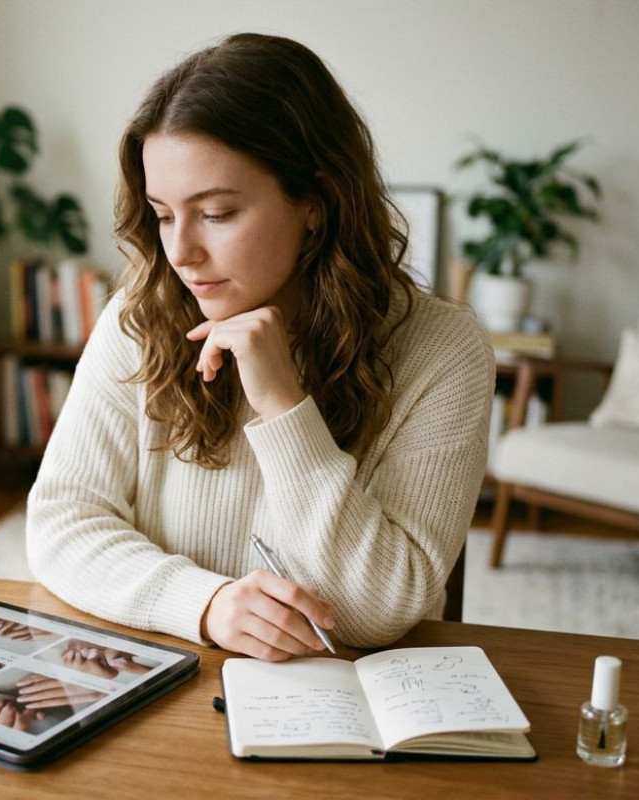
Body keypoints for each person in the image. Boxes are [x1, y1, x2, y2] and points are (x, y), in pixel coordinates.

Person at [25, 33, 494, 661]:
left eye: (216, 213)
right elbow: (60, 522)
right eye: (164, 215)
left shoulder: (443, 352)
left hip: (348, 701)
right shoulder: (141, 315)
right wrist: (205, 604)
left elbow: (379, 611)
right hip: (174, 672)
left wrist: (283, 405)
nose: (182, 252)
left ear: (316, 202)